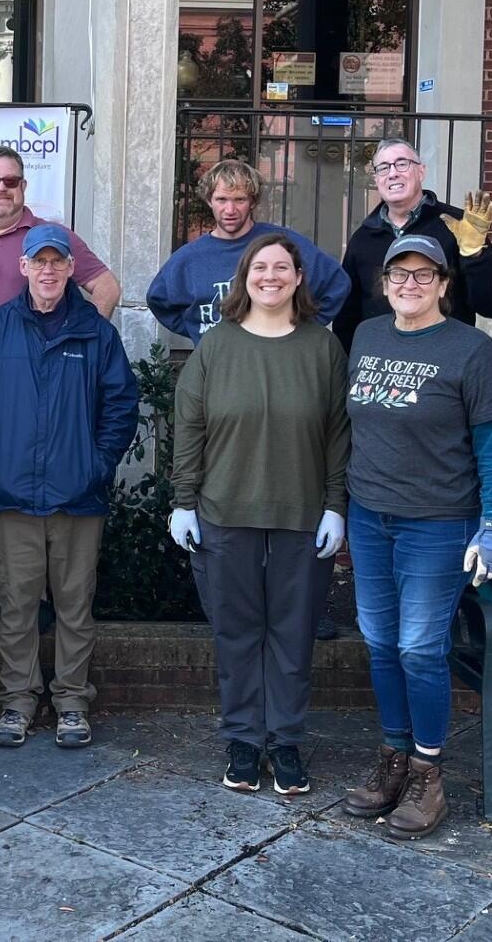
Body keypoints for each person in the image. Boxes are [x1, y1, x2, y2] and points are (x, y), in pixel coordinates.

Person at [342, 234, 492, 839]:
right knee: (380, 641)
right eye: (398, 274)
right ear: (383, 282)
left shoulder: (471, 350)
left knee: (419, 647)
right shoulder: (366, 336)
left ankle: (428, 772)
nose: (409, 285)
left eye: (423, 275)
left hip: (438, 522)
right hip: (369, 515)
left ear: (444, 284)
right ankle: (394, 756)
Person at [169, 233, 350, 797]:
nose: (270, 276)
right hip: (224, 510)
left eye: (282, 267)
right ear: (245, 278)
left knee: (293, 636)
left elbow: (339, 433)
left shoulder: (323, 348)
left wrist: (335, 506)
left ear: (299, 279)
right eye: (259, 267)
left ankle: (287, 741)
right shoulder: (215, 347)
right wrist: (183, 502)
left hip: (302, 513)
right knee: (238, 633)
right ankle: (245, 739)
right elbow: (190, 429)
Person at [0, 224, 138, 749]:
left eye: (58, 262)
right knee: (16, 603)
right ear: (24, 267)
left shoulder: (96, 332)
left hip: (79, 497)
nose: (49, 270)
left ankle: (73, 702)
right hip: (10, 495)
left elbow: (120, 405)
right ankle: (18, 702)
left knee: (76, 603)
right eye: (40, 261)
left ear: (72, 269)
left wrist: (96, 465)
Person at [0, 145, 122, 618]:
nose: (0, 189)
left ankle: (31, 598)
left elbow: (107, 287)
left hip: (38, 382)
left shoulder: (48, 236)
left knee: (31, 495)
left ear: (23, 187)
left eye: (9, 181)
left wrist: (78, 348)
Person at [333, 139, 492, 353]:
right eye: (383, 168)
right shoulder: (363, 239)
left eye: (401, 164)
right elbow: (347, 317)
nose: (392, 173)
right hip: (381, 366)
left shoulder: (459, 227)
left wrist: (474, 255)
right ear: (376, 179)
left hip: (446, 362)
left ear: (421, 171)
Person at [147, 158, 350, 344]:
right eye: (221, 200)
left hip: (275, 362)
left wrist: (303, 330)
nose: (230, 210)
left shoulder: (283, 244)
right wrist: (198, 330)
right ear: (209, 200)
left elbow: (337, 284)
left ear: (252, 202)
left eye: (239, 200)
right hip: (217, 367)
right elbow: (159, 300)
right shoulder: (188, 258)